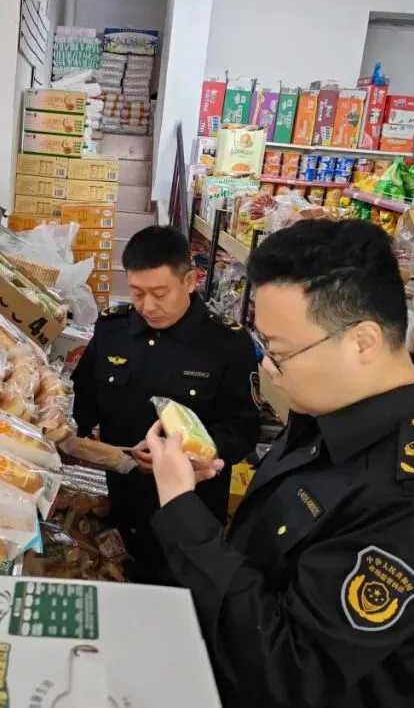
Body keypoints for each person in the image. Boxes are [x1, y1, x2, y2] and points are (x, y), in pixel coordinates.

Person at [144, 219, 414, 708]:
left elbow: (289, 672)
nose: (267, 366)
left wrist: (182, 510)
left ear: (363, 342)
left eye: (279, 350)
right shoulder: (332, 406)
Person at [72, 224, 260, 584]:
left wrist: (192, 455)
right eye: (137, 292)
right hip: (121, 502)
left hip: (190, 510)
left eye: (160, 293)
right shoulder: (113, 330)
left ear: (189, 281)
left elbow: (243, 427)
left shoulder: (226, 345)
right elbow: (84, 398)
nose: (147, 306)